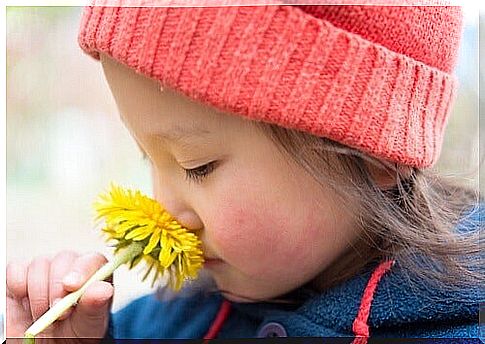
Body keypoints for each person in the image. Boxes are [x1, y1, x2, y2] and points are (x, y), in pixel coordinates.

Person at [7, 3, 484, 342]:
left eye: (198, 165)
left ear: (376, 153)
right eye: (149, 159)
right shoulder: (174, 319)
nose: (165, 211)